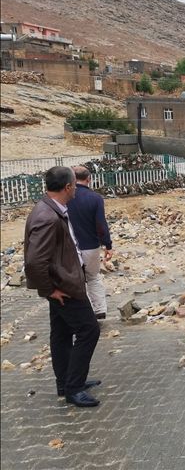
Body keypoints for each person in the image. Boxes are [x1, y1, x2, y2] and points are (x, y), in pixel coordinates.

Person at [24, 166, 101, 407]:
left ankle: (65, 382)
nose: (76, 190)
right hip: (64, 287)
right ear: (68, 187)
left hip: (63, 282)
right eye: (74, 187)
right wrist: (49, 290)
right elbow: (34, 261)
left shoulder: (51, 208)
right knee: (89, 330)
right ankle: (74, 387)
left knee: (61, 333)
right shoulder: (47, 216)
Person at [67, 166, 113, 320]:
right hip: (91, 247)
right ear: (89, 179)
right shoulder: (95, 198)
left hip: (69, 249)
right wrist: (108, 245)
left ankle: (79, 313)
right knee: (93, 277)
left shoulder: (65, 198)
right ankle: (99, 309)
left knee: (75, 282)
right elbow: (101, 225)